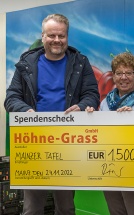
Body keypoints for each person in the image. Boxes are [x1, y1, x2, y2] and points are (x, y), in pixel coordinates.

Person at [4, 14, 100, 215]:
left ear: (67, 37)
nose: (57, 40)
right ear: (43, 36)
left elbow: (92, 95)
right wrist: (26, 111)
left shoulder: (80, 62)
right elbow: (11, 98)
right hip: (34, 144)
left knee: (66, 207)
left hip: (67, 144)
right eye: (52, 35)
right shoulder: (26, 64)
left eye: (61, 36)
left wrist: (82, 106)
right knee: (32, 208)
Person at [86, 52, 134, 215]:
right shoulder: (104, 103)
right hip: (110, 170)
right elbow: (99, 134)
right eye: (119, 73)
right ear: (113, 76)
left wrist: (133, 118)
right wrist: (90, 117)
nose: (124, 77)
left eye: (129, 73)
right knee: (116, 211)